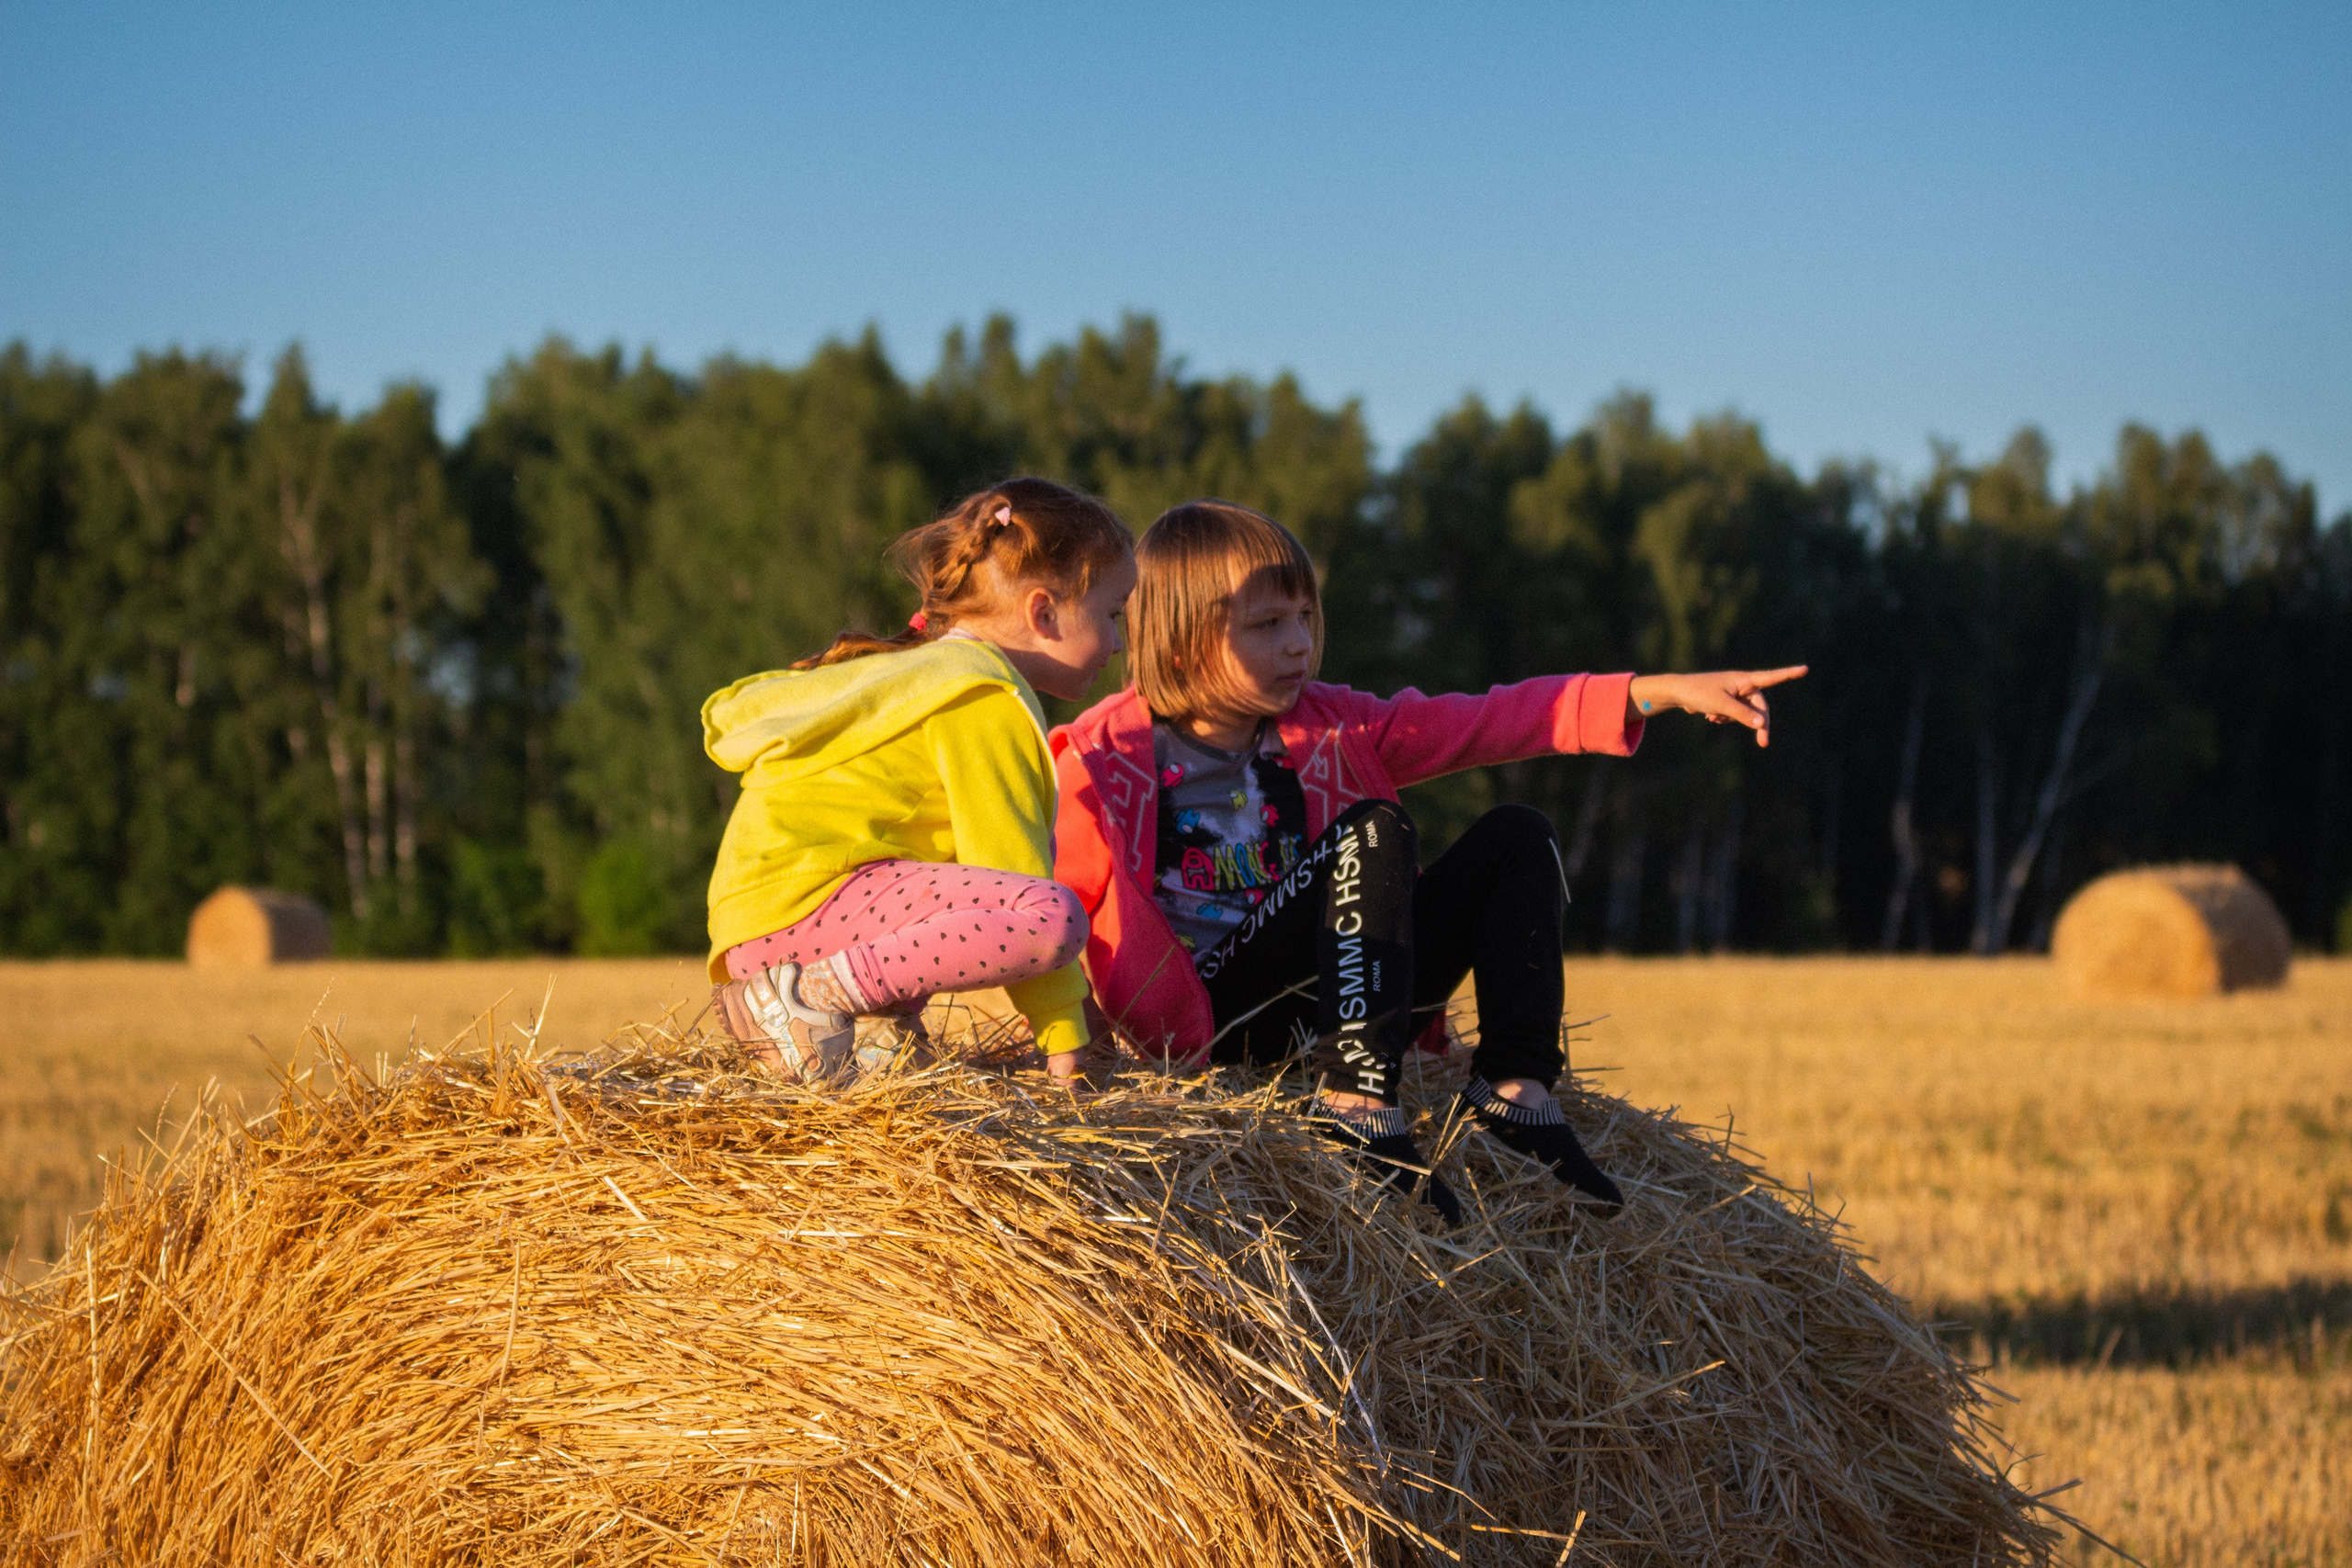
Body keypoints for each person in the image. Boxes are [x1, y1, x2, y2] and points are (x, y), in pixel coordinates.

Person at [1050, 500, 1804, 1220]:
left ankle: (1517, 1087)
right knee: (1372, 830)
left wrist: (1653, 692)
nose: (1299, 644)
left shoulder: (1333, 725)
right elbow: (1054, 909)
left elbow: (1489, 721)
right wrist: (1074, 1052)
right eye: (1268, 624)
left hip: (1355, 994)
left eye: (1307, 617)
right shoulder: (1104, 757)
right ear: (1183, 641)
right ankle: (1357, 1103)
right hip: (1221, 1017)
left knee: (1518, 833)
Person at [704, 478, 1135, 1085]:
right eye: (1112, 615)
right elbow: (1014, 882)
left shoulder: (928, 673)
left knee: (940, 886)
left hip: (761, 922)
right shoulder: (982, 697)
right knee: (1051, 917)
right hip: (805, 918)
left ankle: (879, 1034)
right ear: (1043, 612)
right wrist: (1068, 1037)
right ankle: (811, 999)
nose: (1118, 643)